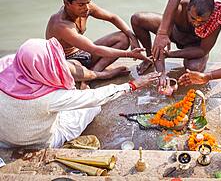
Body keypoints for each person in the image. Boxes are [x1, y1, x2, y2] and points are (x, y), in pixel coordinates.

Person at [0, 38, 159, 148]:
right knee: (92, 106)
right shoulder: (47, 98)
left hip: (4, 140)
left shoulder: (5, 66)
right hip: (38, 142)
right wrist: (132, 84)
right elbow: (96, 97)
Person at [46, 0, 150, 86]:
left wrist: (132, 38)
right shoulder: (61, 25)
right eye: (81, 5)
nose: (86, 8)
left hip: (83, 53)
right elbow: (94, 49)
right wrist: (129, 54)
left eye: (88, 2)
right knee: (72, 69)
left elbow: (113, 17)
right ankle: (99, 76)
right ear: (67, 3)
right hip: (67, 61)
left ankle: (95, 72)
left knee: (123, 37)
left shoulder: (86, 7)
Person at [131, 0, 221, 89]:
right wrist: (161, 74)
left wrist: (171, 54)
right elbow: (161, 39)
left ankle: (158, 58)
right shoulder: (178, 7)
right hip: (175, 33)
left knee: (194, 68)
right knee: (137, 19)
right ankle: (149, 58)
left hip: (194, 45)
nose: (196, 24)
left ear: (210, 16)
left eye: (202, 22)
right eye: (193, 18)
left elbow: (202, 50)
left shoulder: (215, 20)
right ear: (187, 9)